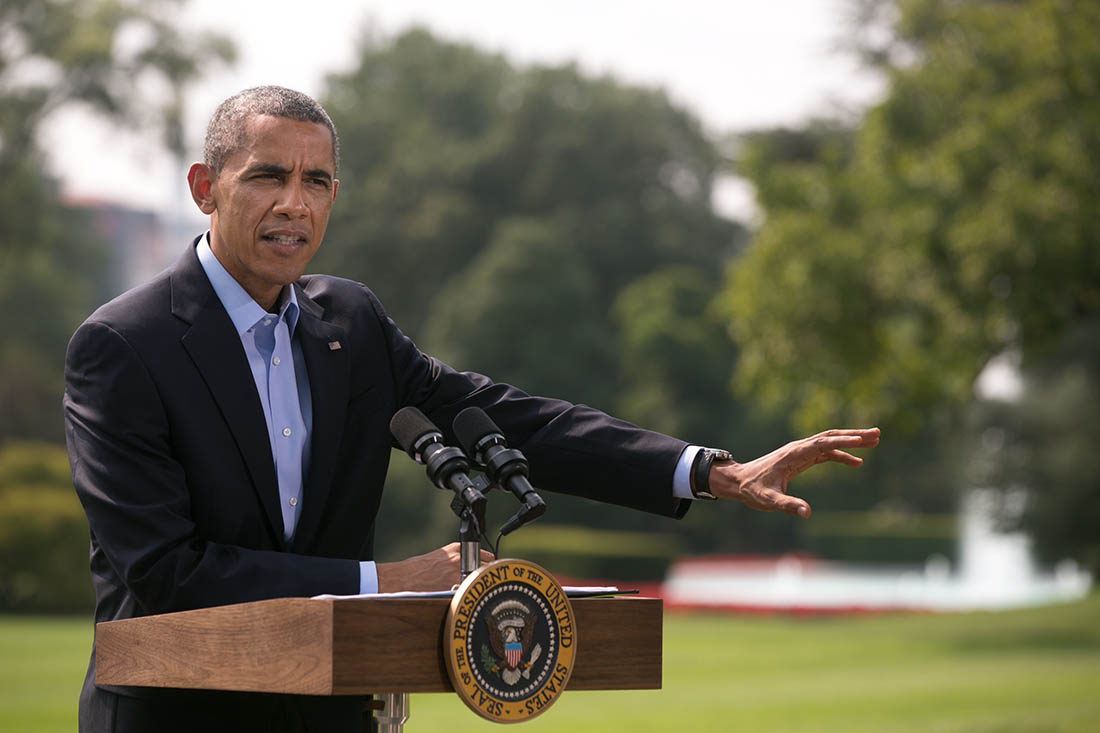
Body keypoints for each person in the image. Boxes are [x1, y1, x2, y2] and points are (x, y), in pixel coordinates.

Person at [64, 85, 879, 733]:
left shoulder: (350, 323)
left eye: (316, 181)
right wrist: (385, 583)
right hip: (176, 713)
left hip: (330, 714)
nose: (295, 204)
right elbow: (167, 573)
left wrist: (708, 469)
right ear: (206, 187)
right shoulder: (122, 347)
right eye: (268, 176)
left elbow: (504, 420)